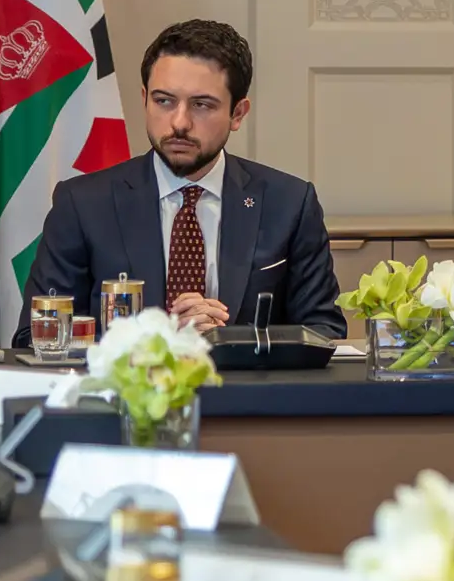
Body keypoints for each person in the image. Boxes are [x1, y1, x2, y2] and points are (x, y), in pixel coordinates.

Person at [20, 19, 345, 342]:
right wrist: (154, 342)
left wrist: (231, 341)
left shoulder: (289, 204)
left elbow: (324, 333)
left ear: (237, 114)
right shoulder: (83, 204)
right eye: (164, 101)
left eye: (201, 105)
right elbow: (36, 338)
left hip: (242, 378)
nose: (179, 122)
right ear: (144, 99)